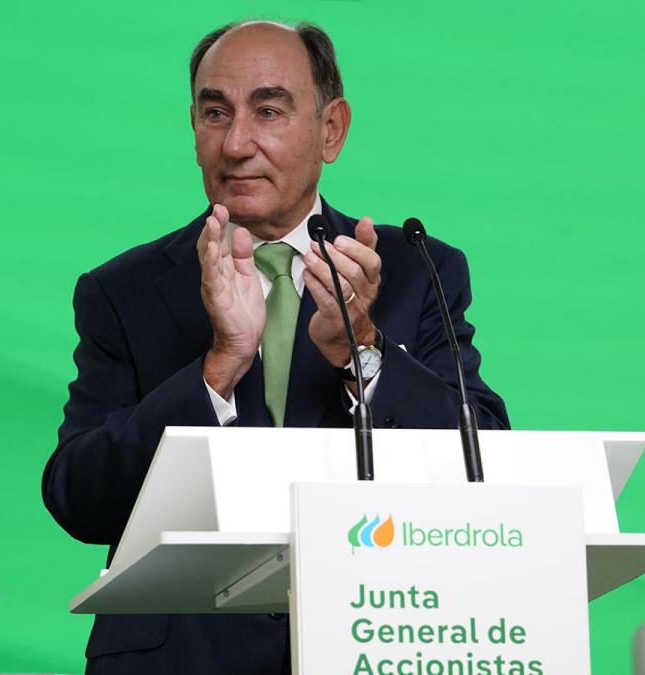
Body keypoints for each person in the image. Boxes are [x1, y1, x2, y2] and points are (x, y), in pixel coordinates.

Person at [41, 19, 509, 675]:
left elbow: (485, 460)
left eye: (268, 110)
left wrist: (363, 351)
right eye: (214, 113)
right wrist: (218, 367)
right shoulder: (124, 290)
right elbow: (77, 496)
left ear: (331, 130)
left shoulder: (413, 272)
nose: (236, 143)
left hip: (373, 640)